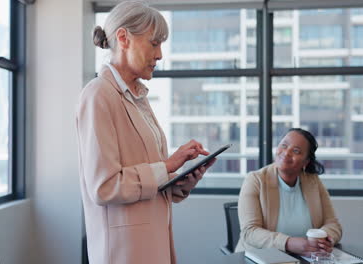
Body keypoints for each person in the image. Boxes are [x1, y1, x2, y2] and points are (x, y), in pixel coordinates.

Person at [75, 2, 215, 264]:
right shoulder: (98, 95)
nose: (160, 54)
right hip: (123, 252)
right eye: (154, 43)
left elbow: (150, 180)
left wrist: (182, 179)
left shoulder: (139, 98)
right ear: (123, 38)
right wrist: (167, 165)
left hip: (153, 243)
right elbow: (104, 187)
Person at [235, 128, 342, 257]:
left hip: (304, 258)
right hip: (260, 257)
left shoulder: (313, 181)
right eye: (284, 146)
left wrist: (324, 238)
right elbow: (250, 232)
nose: (286, 153)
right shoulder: (255, 180)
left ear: (306, 162)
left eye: (296, 151)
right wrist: (288, 243)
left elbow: (333, 224)